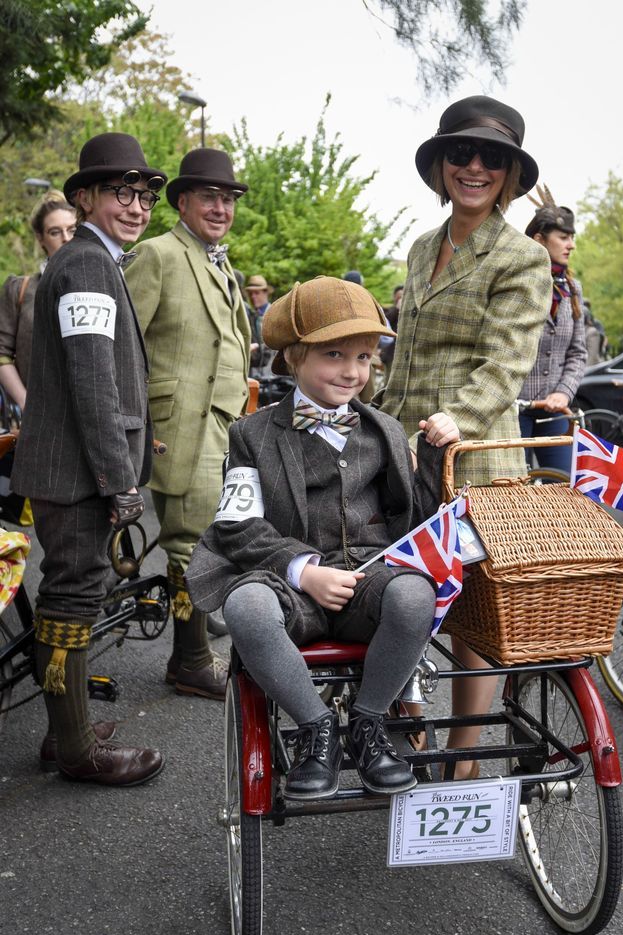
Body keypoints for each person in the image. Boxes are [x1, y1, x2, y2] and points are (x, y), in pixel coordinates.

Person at [185, 276, 460, 800]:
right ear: (293, 356)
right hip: (293, 588)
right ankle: (316, 728)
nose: (353, 371)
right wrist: (303, 569)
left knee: (415, 593)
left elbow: (418, 523)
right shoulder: (253, 434)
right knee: (244, 607)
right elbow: (236, 525)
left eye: (364, 356)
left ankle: (369, 722)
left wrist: (433, 454)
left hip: (367, 581)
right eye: (334, 355)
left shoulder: (383, 428)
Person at [377, 95, 551, 778]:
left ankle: (465, 755)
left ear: (509, 174)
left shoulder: (521, 256)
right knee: (402, 590)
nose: (473, 167)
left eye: (492, 158)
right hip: (401, 445)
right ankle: (408, 716)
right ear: (441, 163)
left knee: (472, 601)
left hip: (472, 452)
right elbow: (404, 354)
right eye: (461, 153)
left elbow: (508, 361)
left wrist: (462, 415)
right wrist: (365, 420)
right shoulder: (423, 246)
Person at [11, 132, 166, 784]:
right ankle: (76, 749)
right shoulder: (87, 265)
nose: (135, 206)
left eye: (142, 195)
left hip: (68, 467)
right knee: (71, 601)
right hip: (78, 472)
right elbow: (92, 380)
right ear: (85, 198)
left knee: (69, 597)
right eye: (119, 193)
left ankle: (63, 732)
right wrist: (117, 479)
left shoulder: (86, 261)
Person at [125, 148, 252, 701]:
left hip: (221, 424)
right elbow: (123, 347)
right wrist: (136, 425)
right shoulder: (156, 254)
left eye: (227, 199)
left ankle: (189, 656)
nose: (221, 208)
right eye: (210, 197)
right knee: (189, 542)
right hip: (177, 426)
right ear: (182, 201)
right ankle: (194, 660)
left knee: (213, 537)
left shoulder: (219, 261)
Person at [518, 192, 587, 474]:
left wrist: (563, 393)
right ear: (539, 240)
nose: (571, 245)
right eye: (563, 237)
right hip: (514, 409)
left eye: (572, 237)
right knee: (510, 492)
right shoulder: (517, 283)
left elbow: (578, 352)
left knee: (563, 488)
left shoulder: (573, 288)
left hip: (555, 412)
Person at [0, 190, 76, 411]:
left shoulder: (104, 283)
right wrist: (26, 401)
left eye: (73, 229)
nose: (66, 238)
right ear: (41, 238)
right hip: (40, 416)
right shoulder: (21, 290)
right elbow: (1, 353)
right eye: (55, 232)